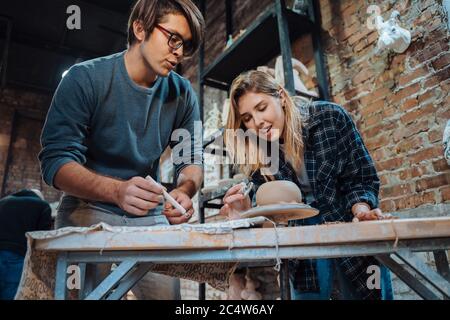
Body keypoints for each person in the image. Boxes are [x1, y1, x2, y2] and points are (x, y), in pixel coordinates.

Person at [39, 0, 205, 299]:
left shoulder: (182, 94)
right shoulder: (84, 79)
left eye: (186, 44)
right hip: (87, 206)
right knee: (83, 294)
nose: (179, 52)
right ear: (139, 28)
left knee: (168, 297)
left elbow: (190, 160)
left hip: (148, 213)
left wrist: (185, 190)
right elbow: (56, 162)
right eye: (173, 38)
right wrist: (117, 191)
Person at [219, 70, 394, 300]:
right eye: (247, 118)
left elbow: (360, 177)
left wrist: (361, 210)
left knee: (369, 291)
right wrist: (245, 214)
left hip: (347, 223)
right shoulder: (258, 153)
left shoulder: (330, 118)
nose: (257, 122)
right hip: (301, 245)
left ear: (281, 96)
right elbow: (269, 217)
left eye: (261, 108)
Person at [0, 189, 52, 300]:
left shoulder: (3, 202)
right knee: (11, 293)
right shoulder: (42, 206)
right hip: (17, 256)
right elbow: (42, 237)